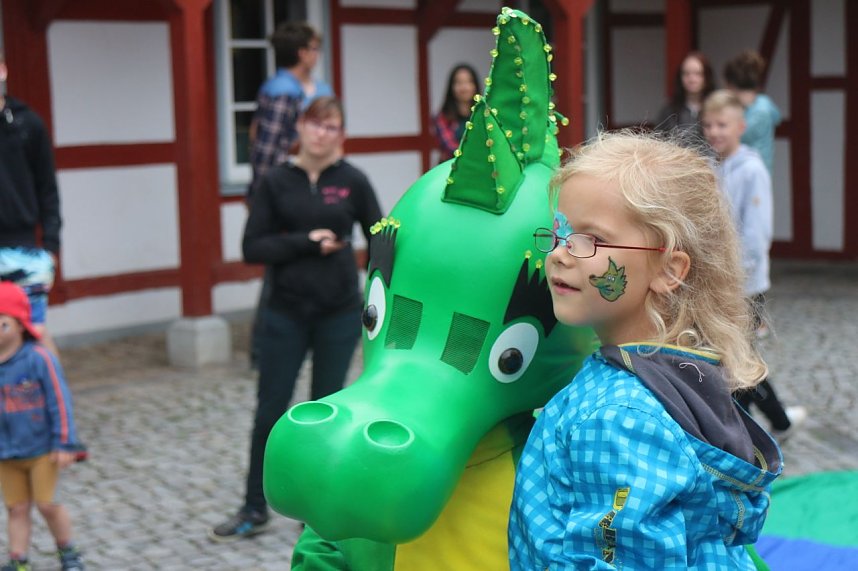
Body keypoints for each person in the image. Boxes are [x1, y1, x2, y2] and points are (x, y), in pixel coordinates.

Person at [509, 131, 782, 569]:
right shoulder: (681, 375)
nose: (560, 254)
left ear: (669, 269)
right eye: (560, 233)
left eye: (591, 240)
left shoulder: (617, 418)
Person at [209, 96, 382, 542]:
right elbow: (253, 248)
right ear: (300, 129)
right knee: (271, 409)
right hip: (284, 313)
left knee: (325, 413)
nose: (322, 134)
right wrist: (306, 241)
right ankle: (253, 506)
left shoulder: (353, 181)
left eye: (331, 127)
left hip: (338, 314)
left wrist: (380, 301)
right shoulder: (275, 182)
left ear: (340, 134)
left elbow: (381, 241)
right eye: (315, 125)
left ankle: (316, 510)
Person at [702, 89, 806, 443]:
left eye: (722, 125)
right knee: (735, 356)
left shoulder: (751, 169)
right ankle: (776, 421)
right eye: (709, 125)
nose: (715, 132)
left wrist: (736, 280)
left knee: (738, 359)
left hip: (743, 284)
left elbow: (756, 235)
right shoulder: (714, 166)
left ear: (741, 126)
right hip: (719, 280)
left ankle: (748, 427)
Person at [246, 21, 334, 370]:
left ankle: (319, 336)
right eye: (314, 48)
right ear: (302, 52)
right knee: (279, 270)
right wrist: (263, 200)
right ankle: (263, 346)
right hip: (286, 193)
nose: (317, 54)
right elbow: (266, 150)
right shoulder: (281, 90)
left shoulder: (316, 88)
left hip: (320, 186)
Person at [0, 282, 84, 571]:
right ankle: (18, 560)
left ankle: (68, 553)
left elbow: (60, 401)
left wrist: (64, 442)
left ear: (20, 324)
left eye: (2, 322)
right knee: (16, 508)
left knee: (48, 504)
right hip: (6, 454)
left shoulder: (39, 358)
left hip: (42, 450)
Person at [0, 51, 62, 358]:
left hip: (23, 250)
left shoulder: (29, 124)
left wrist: (50, 244)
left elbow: (47, 187)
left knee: (34, 331)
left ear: (3, 70)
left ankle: (58, 400)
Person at [723, 50, 781, 174]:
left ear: (731, 85)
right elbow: (777, 117)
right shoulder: (764, 102)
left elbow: (734, 136)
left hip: (750, 173)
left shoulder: (758, 112)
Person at [655, 51, 717, 142]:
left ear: (706, 77)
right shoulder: (669, 110)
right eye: (686, 74)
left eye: (698, 74)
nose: (692, 79)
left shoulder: (716, 108)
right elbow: (658, 141)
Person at [432, 64, 480, 162]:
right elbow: (450, 147)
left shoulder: (483, 114)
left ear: (475, 85)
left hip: (480, 168)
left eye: (468, 82)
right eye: (459, 82)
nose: (464, 87)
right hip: (451, 170)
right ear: (451, 87)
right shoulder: (442, 117)